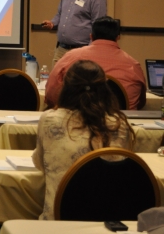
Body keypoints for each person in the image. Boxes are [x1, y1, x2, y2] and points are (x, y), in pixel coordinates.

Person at [32, 60, 133, 221]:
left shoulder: (49, 120)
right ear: (105, 89)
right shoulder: (119, 125)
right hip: (106, 222)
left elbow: (41, 164)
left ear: (66, 87)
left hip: (58, 222)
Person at [45, 16, 146, 110]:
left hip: (77, 123)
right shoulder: (133, 65)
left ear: (91, 36)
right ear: (117, 37)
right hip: (119, 124)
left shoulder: (70, 57)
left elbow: (50, 93)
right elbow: (140, 102)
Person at [41, 0, 107, 67]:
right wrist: (52, 23)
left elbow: (98, 27)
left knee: (78, 82)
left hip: (81, 51)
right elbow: (59, 14)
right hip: (61, 50)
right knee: (56, 82)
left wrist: (90, 51)